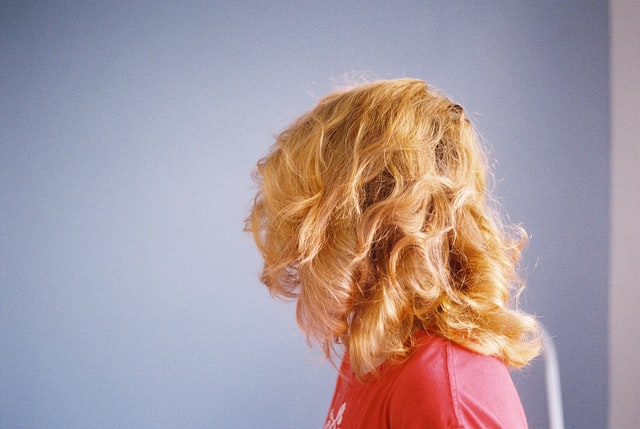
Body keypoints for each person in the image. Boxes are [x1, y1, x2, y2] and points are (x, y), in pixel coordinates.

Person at [246, 78, 540, 428]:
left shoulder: (443, 393)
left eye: (305, 220)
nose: (296, 250)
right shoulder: (376, 348)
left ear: (366, 223)